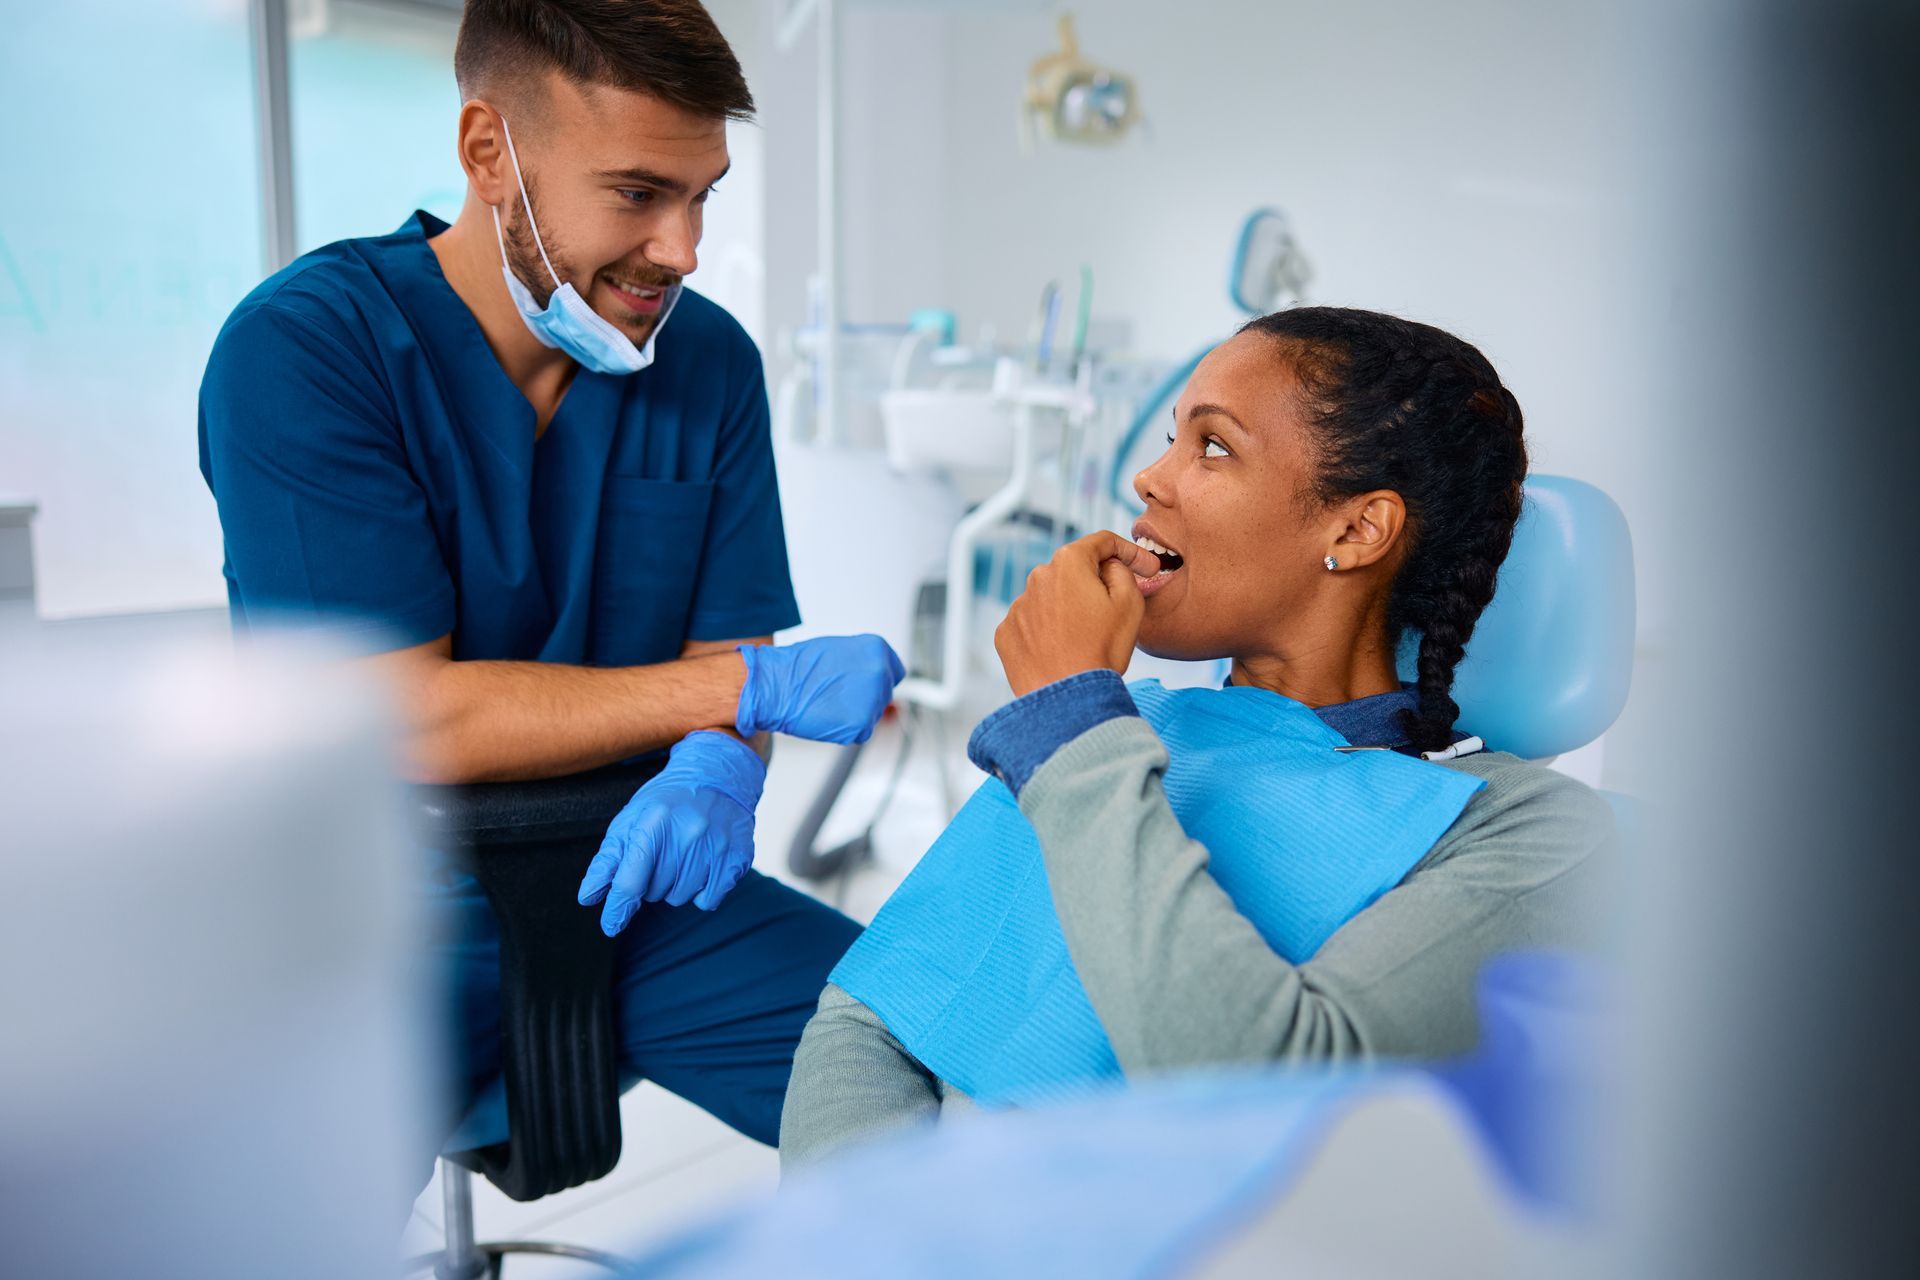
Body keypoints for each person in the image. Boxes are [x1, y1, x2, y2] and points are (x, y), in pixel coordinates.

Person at [198, 0, 902, 1156]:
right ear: (489, 153)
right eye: (636, 193)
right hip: (370, 917)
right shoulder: (307, 352)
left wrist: (723, 760)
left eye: (703, 195)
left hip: (638, 887)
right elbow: (398, 715)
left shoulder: (707, 359)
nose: (682, 249)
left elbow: (727, 651)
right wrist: (734, 700)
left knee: (928, 1083)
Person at [779, 306, 1613, 1166]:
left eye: (1212, 447)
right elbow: (871, 1019)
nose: (1149, 477)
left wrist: (1071, 723)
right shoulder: (1123, 725)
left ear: (1356, 530)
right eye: (1173, 439)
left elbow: (1254, 1090)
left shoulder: (1523, 829)